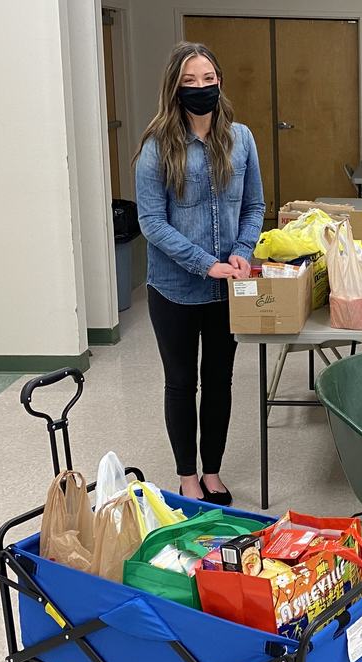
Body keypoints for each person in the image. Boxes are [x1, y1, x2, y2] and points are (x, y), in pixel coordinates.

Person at [134, 42, 265, 504]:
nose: (201, 88)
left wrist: (242, 251)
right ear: (175, 87)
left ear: (219, 81)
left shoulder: (241, 139)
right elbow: (150, 222)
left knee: (220, 382)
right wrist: (204, 263)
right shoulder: (157, 146)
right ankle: (187, 476)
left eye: (207, 79)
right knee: (180, 382)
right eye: (190, 81)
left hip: (228, 288)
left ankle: (213, 471)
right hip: (173, 290)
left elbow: (254, 206)